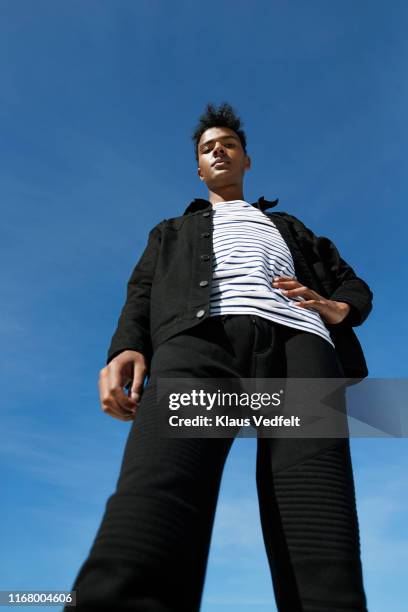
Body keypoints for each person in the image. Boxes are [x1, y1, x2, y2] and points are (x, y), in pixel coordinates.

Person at [67, 102, 373, 611]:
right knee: (153, 501)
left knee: (321, 523)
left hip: (303, 349)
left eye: (228, 144)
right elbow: (141, 293)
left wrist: (337, 308)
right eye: (208, 148)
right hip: (197, 344)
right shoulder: (170, 231)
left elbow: (351, 282)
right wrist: (126, 346)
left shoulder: (291, 227)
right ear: (199, 167)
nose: (218, 152)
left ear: (246, 160)